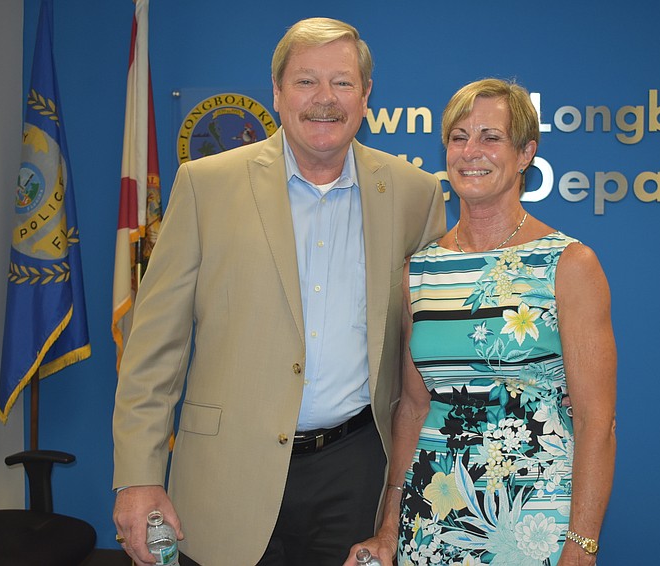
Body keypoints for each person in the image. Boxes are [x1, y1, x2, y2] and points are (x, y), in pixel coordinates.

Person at [112, 17, 446, 566]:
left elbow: (425, 353)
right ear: (276, 92)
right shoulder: (205, 185)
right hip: (227, 469)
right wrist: (138, 478)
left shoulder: (415, 194)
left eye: (342, 82)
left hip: (357, 468)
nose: (325, 100)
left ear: (366, 96)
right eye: (306, 81)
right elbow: (154, 350)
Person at [347, 78, 617, 566]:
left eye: (491, 137)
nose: (471, 151)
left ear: (525, 153)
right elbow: (412, 409)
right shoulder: (421, 270)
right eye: (458, 136)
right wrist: (390, 526)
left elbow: (596, 422)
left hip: (533, 524)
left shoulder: (569, 265)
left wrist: (582, 545)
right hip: (431, 520)